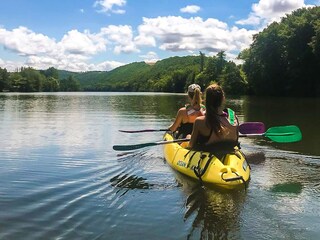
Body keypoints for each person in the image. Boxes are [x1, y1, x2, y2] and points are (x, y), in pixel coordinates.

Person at [188, 83, 239, 151]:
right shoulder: (233, 117)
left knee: (188, 136)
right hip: (230, 153)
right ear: (223, 98)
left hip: (209, 155)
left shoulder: (200, 121)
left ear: (206, 100)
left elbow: (191, 145)